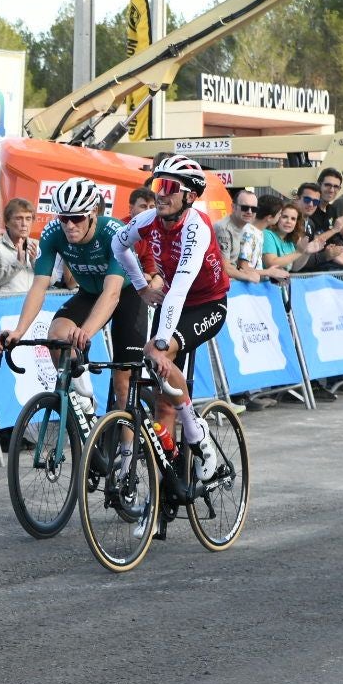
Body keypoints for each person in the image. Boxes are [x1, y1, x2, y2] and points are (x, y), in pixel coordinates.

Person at [112, 153, 231, 503]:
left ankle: (200, 439)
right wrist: (140, 286)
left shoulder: (197, 226)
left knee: (157, 353)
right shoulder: (148, 220)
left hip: (207, 304)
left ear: (189, 196)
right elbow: (118, 245)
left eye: (168, 187)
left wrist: (161, 341)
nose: (159, 193)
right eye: (155, 185)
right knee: (164, 404)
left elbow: (179, 287)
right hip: (171, 302)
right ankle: (164, 497)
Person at [0, 177, 144, 424]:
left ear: (93, 213)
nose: (69, 225)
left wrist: (85, 332)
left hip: (126, 294)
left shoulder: (115, 233)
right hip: (88, 293)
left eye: (76, 218)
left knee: (123, 384)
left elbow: (112, 294)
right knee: (57, 336)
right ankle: (83, 400)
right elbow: (39, 286)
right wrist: (20, 330)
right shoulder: (54, 234)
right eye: (63, 218)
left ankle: (128, 455)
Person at [236, 194, 291, 283]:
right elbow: (243, 268)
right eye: (279, 214)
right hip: (244, 287)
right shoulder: (249, 233)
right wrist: (269, 272)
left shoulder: (259, 232)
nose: (280, 216)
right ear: (269, 217)